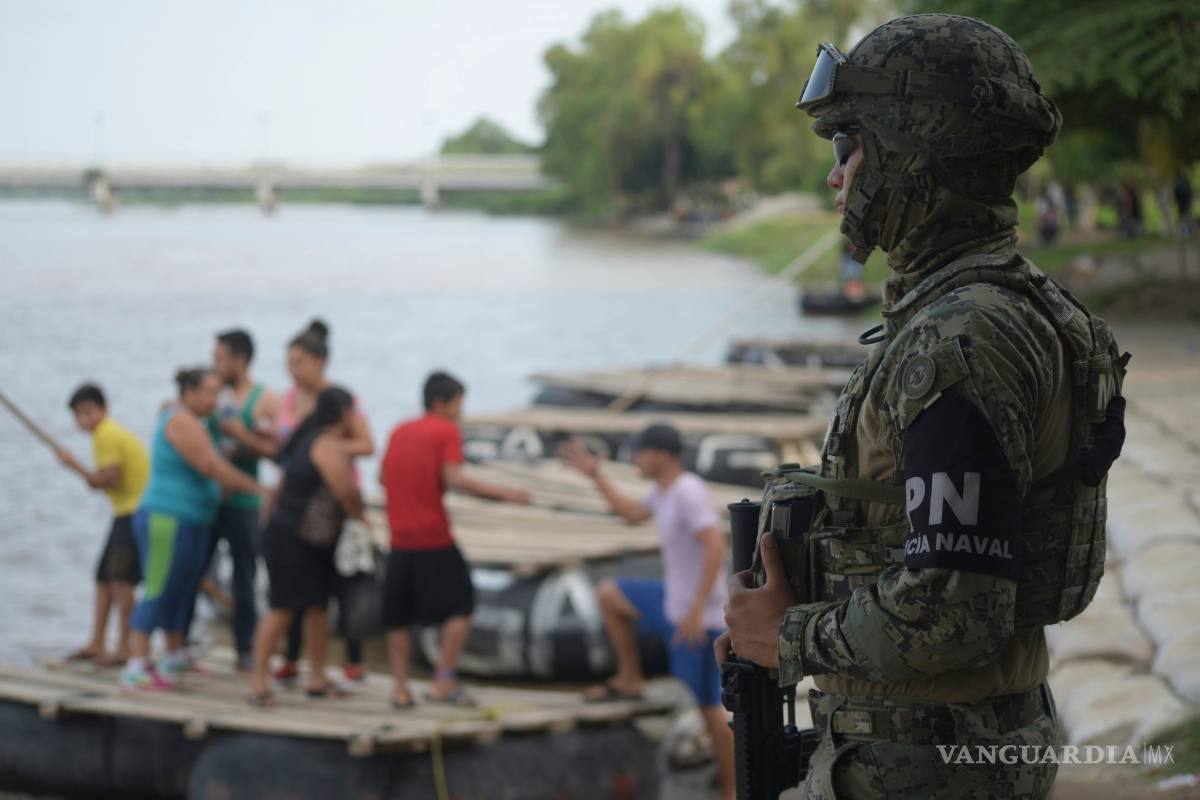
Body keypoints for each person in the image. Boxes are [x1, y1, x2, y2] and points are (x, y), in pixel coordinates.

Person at [719, 15, 1128, 799]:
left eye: (849, 146)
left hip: (921, 769)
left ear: (913, 155)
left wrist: (783, 637)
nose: (835, 176)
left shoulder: (961, 339)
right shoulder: (998, 311)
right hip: (944, 751)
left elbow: (955, 607)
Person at [560, 424, 734, 800]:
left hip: (698, 621)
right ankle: (629, 678)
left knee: (709, 712)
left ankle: (734, 791)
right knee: (610, 594)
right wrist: (596, 477)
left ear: (661, 455)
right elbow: (630, 513)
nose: (635, 459)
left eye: (640, 452)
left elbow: (716, 545)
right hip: (672, 604)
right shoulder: (663, 492)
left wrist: (695, 608)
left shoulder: (688, 491)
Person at [379, 371, 531, 708]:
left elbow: (382, 477)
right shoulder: (446, 431)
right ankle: (443, 680)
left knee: (398, 617)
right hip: (433, 536)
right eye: (458, 405)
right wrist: (506, 493)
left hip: (398, 539)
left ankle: (400, 689)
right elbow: (455, 479)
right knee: (462, 603)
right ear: (441, 404)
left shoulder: (399, 430)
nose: (461, 412)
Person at [121, 368, 265, 690]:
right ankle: (136, 663)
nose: (215, 400)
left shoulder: (198, 422)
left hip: (194, 519)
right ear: (188, 392)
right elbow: (210, 466)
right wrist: (259, 490)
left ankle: (174, 654)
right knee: (158, 585)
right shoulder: (180, 420)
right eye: (209, 392)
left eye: (217, 392)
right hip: (167, 517)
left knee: (184, 586)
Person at [271, 319, 374, 685]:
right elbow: (281, 450)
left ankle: (353, 658)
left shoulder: (339, 400)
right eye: (289, 363)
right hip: (299, 501)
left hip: (335, 496)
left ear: (319, 362)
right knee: (300, 586)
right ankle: (291, 658)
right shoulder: (288, 399)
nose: (293, 370)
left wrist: (322, 449)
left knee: (341, 582)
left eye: (299, 362)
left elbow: (367, 444)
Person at [247, 387, 364, 707]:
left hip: (311, 540)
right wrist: (363, 520)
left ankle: (317, 676)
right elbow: (345, 491)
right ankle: (257, 682)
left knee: (317, 607)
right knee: (282, 608)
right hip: (292, 538)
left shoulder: (308, 438)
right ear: (343, 414)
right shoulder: (325, 444)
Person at [202, 328, 280, 671]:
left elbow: (278, 452)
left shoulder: (264, 399)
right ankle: (182, 643)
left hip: (245, 503)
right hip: (206, 499)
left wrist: (242, 436)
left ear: (241, 359)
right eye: (213, 358)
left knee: (244, 577)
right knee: (194, 570)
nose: (215, 364)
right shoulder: (209, 393)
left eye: (221, 358)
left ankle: (244, 649)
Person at [56, 384, 150, 666]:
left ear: (103, 409)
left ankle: (126, 646)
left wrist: (75, 466)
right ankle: (97, 642)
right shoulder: (107, 432)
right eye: (78, 415)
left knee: (121, 581)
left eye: (88, 412)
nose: (83, 420)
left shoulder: (106, 434)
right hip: (125, 513)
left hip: (134, 513)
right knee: (103, 578)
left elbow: (108, 479)